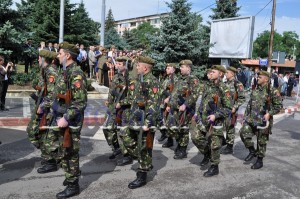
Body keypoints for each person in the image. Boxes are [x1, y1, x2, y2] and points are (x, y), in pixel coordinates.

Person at [52, 42, 87, 198]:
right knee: (64, 150)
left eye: (60, 53)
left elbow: (80, 102)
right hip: (62, 116)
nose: (57, 56)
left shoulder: (76, 74)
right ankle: (71, 176)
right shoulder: (65, 71)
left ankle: (73, 185)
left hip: (71, 119)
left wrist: (66, 117)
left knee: (70, 151)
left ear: (67, 56)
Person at [120, 56, 160, 189]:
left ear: (145, 68)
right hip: (135, 119)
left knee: (144, 146)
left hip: (145, 121)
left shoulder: (153, 82)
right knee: (126, 137)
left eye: (138, 66)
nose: (136, 68)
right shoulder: (139, 80)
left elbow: (154, 104)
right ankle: (146, 162)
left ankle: (142, 175)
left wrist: (148, 123)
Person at [191, 65, 231, 177]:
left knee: (215, 144)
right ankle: (207, 154)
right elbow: (203, 102)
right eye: (211, 72)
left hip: (216, 122)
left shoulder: (224, 88)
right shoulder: (208, 86)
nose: (211, 73)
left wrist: (216, 115)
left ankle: (214, 167)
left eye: (213, 72)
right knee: (195, 137)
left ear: (220, 74)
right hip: (203, 120)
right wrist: (197, 114)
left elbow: (228, 108)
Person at [240, 71, 282, 169]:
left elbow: (279, 106)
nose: (257, 78)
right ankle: (252, 150)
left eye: (260, 77)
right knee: (243, 132)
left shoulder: (272, 91)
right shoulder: (255, 89)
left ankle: (259, 160)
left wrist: (269, 114)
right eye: (257, 77)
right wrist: (245, 117)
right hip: (251, 119)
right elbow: (249, 105)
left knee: (261, 141)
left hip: (263, 121)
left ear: (266, 79)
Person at [27, 50, 59, 167]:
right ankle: (50, 155)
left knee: (45, 134)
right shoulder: (44, 70)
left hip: (49, 109)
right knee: (34, 131)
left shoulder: (51, 72)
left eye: (39, 58)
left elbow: (53, 94)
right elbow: (37, 85)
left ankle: (51, 159)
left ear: (44, 59)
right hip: (42, 105)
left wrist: (42, 106)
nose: (38, 60)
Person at [165, 60, 199, 159]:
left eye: (182, 67)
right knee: (173, 127)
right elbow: (174, 92)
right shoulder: (180, 79)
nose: (180, 68)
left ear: (188, 68)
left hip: (185, 110)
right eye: (180, 67)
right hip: (175, 108)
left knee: (183, 129)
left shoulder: (193, 79)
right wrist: (169, 101)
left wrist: (186, 105)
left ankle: (182, 150)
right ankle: (180, 144)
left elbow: (194, 94)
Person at [103, 56, 133, 165]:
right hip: (114, 108)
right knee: (107, 128)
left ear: (125, 65)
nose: (117, 66)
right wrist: (109, 101)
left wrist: (122, 103)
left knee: (123, 132)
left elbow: (134, 97)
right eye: (117, 64)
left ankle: (127, 155)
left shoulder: (131, 78)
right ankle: (116, 149)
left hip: (127, 109)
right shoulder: (116, 77)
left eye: (120, 64)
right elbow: (111, 92)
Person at [222, 67, 246, 154]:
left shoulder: (238, 84)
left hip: (232, 110)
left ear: (232, 74)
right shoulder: (224, 83)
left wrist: (235, 107)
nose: (225, 74)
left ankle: (229, 146)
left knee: (230, 128)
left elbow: (242, 98)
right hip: (223, 109)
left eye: (227, 73)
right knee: (218, 126)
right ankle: (222, 140)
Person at [158, 63, 177, 148]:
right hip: (163, 103)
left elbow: (175, 92)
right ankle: (165, 134)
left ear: (173, 69)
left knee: (169, 122)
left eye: (169, 68)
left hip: (169, 104)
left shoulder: (175, 79)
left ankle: (170, 140)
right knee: (162, 120)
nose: (166, 69)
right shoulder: (166, 78)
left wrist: (169, 100)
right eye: (166, 68)